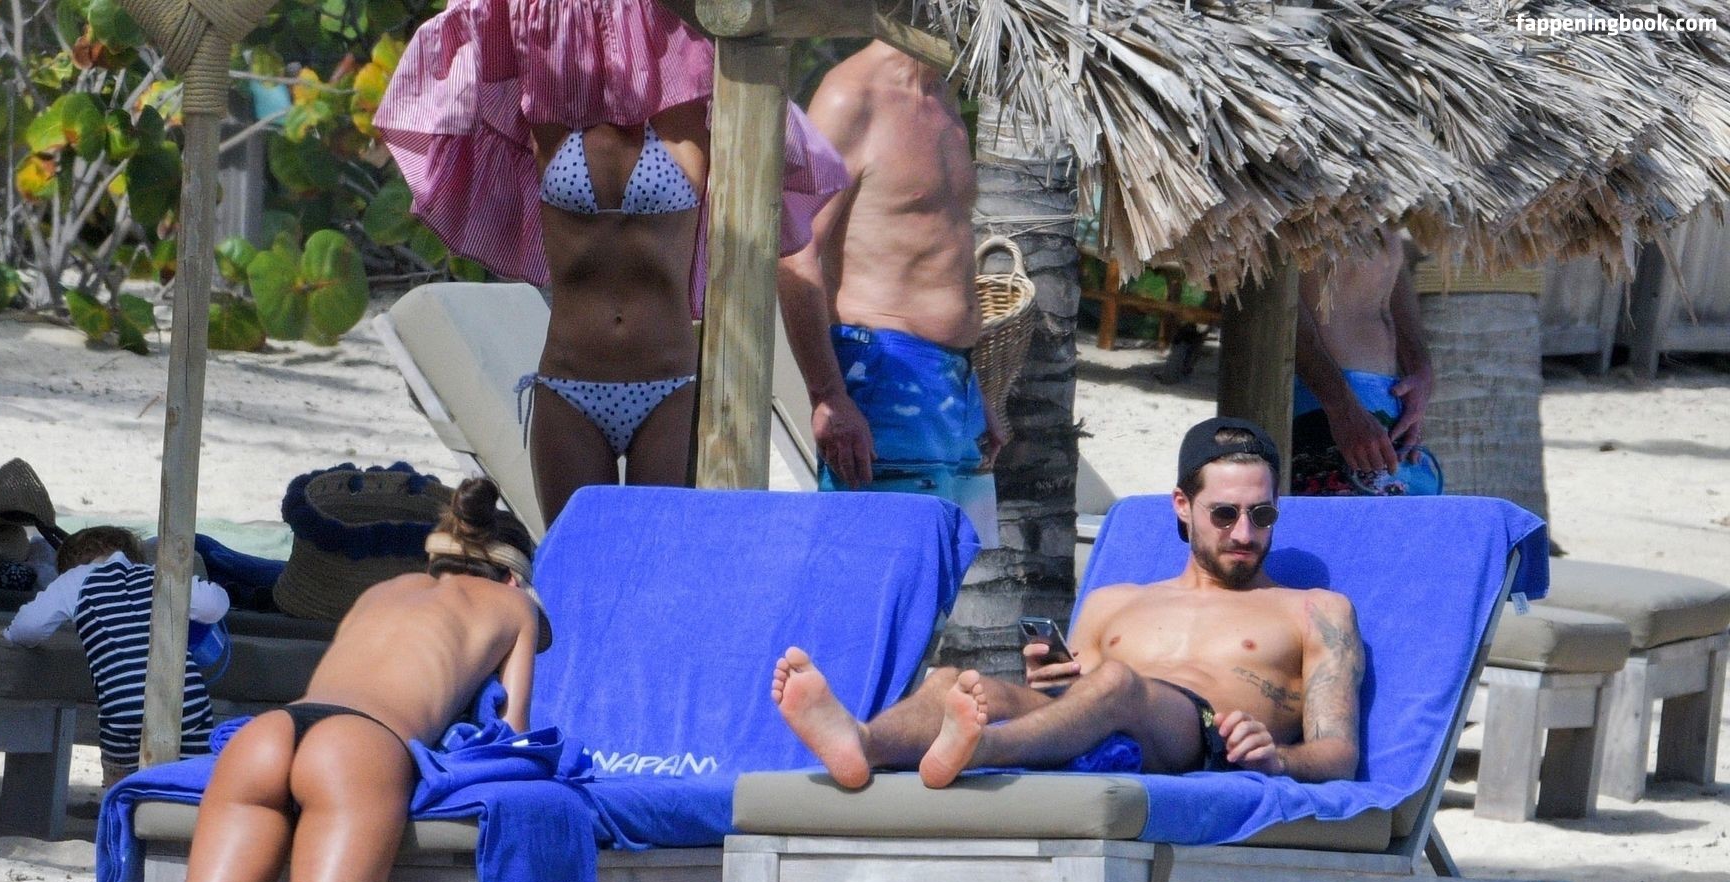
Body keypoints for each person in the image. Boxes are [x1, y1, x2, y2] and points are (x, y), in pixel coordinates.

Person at [7, 478, 548, 882]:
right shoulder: (514, 605)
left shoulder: (383, 591)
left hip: (270, 733)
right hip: (359, 747)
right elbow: (510, 736)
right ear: (512, 576)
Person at [375, 0, 846, 524]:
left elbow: (784, 140)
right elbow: (463, 41)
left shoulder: (691, 102)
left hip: (668, 385)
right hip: (569, 382)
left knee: (657, 561)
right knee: (575, 566)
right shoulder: (552, 97)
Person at [771, 417, 1363, 791]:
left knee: (1117, 683)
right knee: (955, 682)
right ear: (1183, 506)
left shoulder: (1314, 610)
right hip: (1103, 724)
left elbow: (1338, 752)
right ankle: (862, 742)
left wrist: (1278, 760)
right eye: (1225, 513)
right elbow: (1070, 701)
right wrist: (1051, 680)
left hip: (1204, 742)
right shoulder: (1115, 602)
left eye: (1262, 514)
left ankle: (978, 747)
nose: (1244, 533)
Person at [777, 40, 1007, 527]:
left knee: (947, 561)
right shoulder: (851, 96)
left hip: (954, 383)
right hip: (883, 372)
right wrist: (827, 395)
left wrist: (972, 386)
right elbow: (796, 251)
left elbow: (940, 246)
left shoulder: (943, 96)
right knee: (878, 557)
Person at [3, 525, 230, 790]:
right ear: (132, 556)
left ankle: (121, 805)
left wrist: (9, 634)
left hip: (123, 706)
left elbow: (28, 627)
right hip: (187, 700)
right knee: (196, 782)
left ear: (70, 565)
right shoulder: (158, 576)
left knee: (122, 784)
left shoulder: (74, 580)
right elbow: (215, 605)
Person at [1291, 230, 1439, 496]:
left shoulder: (1382, 207)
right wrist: (1342, 408)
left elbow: (1393, 271)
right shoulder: (1292, 207)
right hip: (1326, 401)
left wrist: (1419, 367)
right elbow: (1282, 307)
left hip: (1388, 397)